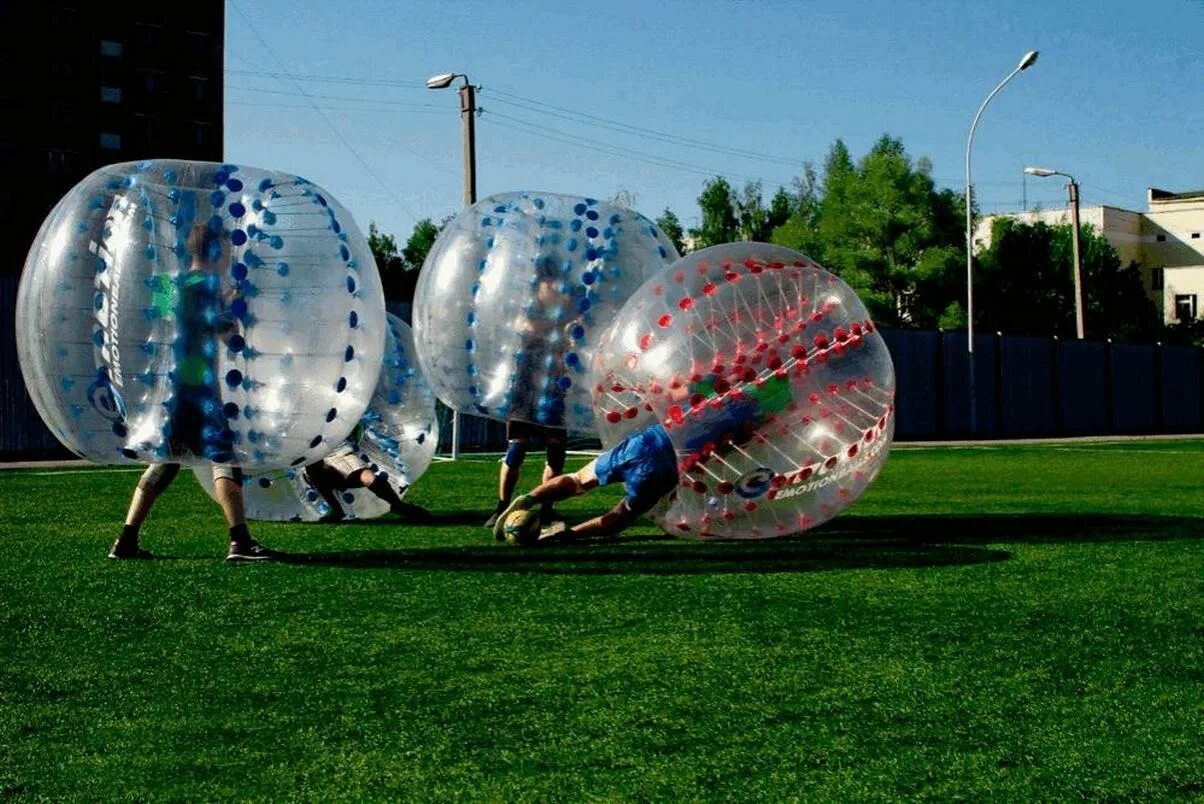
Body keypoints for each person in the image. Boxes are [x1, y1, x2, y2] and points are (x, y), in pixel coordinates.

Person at [109, 217, 279, 562]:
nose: (230, 258)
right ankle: (240, 542)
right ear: (216, 250)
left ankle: (125, 540)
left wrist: (222, 301)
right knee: (224, 457)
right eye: (228, 251)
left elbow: (171, 322)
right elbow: (227, 335)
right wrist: (235, 311)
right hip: (198, 385)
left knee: (167, 461)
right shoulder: (210, 284)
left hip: (169, 386)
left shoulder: (167, 284)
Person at [491, 421, 679, 546]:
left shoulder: (701, 393)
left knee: (578, 479)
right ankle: (567, 535)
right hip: (663, 469)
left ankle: (529, 498)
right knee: (622, 515)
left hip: (643, 444)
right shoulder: (709, 410)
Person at [302, 433, 430, 522]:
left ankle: (397, 505)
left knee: (367, 477)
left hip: (338, 450)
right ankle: (336, 510)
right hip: (312, 452)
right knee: (313, 470)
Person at [484, 418, 567, 531]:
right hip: (521, 404)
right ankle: (502, 508)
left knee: (555, 456)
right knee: (515, 454)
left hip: (553, 403)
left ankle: (547, 509)